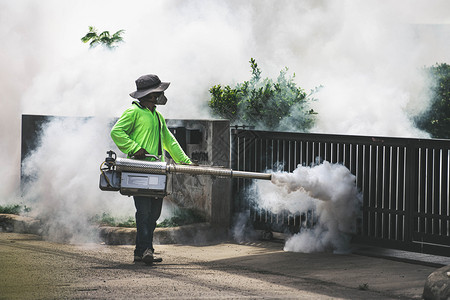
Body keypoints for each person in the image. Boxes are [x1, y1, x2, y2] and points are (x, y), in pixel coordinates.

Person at [110, 74, 191, 265]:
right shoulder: (133, 112)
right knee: (144, 212)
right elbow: (116, 132)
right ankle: (147, 250)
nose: (160, 96)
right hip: (139, 170)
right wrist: (134, 148)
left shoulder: (157, 115)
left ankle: (141, 251)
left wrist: (185, 162)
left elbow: (170, 141)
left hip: (157, 170)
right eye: (157, 93)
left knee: (154, 214)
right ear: (149, 95)